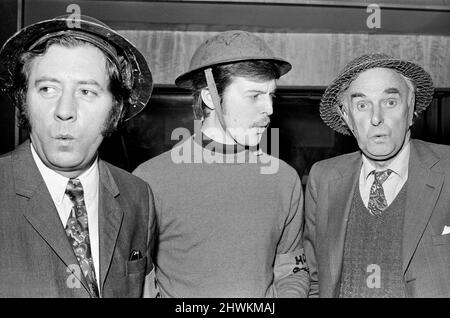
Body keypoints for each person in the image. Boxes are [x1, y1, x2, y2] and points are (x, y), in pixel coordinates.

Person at [133, 30, 310, 297]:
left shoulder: (284, 180)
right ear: (209, 97)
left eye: (271, 95)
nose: (269, 109)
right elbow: (140, 282)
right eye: (254, 96)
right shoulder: (149, 180)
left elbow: (291, 271)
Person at [0, 15, 157, 297]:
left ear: (115, 110)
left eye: (86, 91)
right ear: (23, 101)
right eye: (48, 88)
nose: (65, 110)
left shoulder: (137, 195)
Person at [303, 53, 450, 298]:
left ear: (410, 107)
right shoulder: (323, 178)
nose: (376, 118)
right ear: (347, 116)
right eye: (362, 105)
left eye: (390, 102)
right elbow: (316, 277)